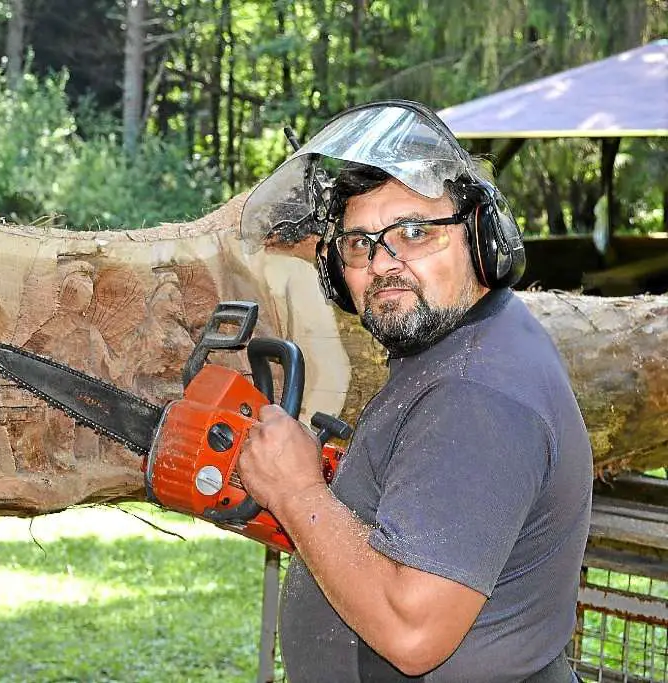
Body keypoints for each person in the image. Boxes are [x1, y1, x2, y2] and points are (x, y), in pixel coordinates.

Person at [237, 100, 593, 682]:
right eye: (359, 244)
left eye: (415, 232)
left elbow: (413, 633)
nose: (383, 264)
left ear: (479, 239)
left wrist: (298, 491)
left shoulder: (477, 396)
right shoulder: (467, 343)